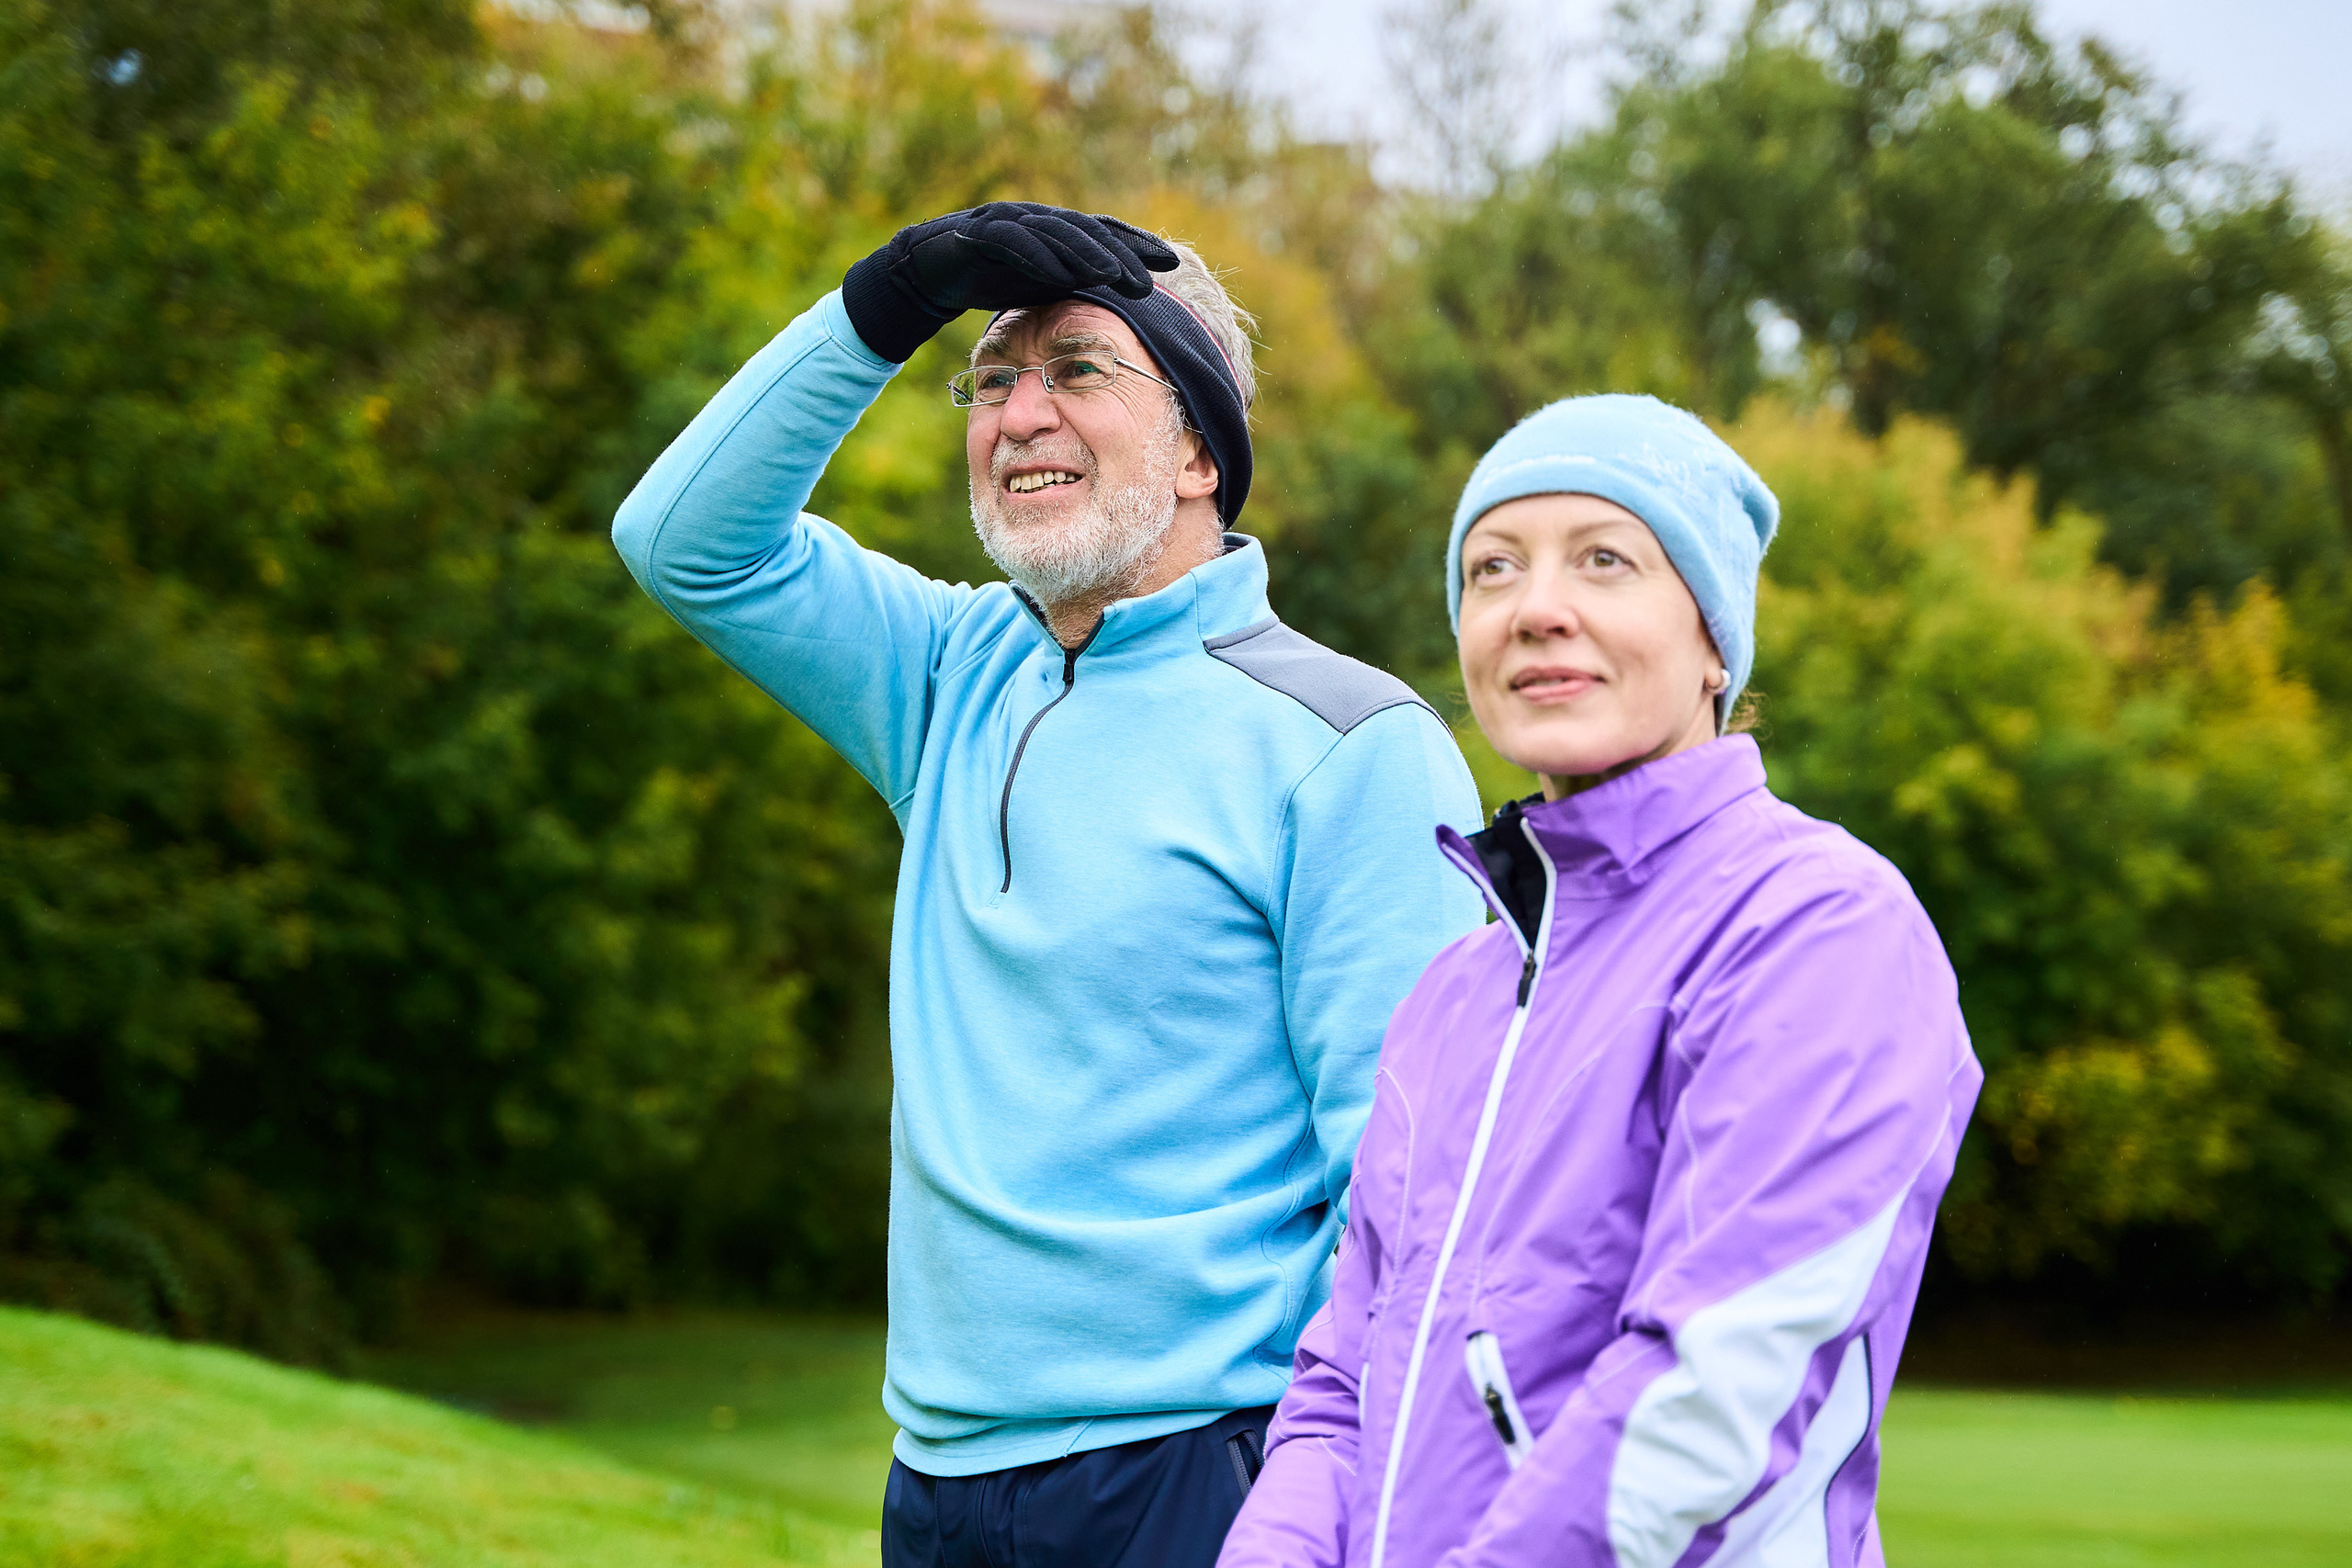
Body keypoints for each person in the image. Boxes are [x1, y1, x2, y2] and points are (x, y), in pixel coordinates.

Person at [610, 202, 1484, 1566]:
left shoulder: (1350, 744)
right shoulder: (948, 674)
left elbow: (1413, 1191)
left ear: (1199, 450)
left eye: (1077, 368)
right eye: (993, 378)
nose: (1019, 415)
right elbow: (683, 540)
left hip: (1209, 1472)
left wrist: (1320, 1505)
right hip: (940, 1479)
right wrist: (884, 305)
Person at [1218, 395, 1983, 1568]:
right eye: (1492, 568)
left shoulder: (1821, 926)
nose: (1535, 608)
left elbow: (1710, 1393)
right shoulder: (1454, 990)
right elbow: (1339, 1387)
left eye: (1604, 560)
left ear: (1715, 638)